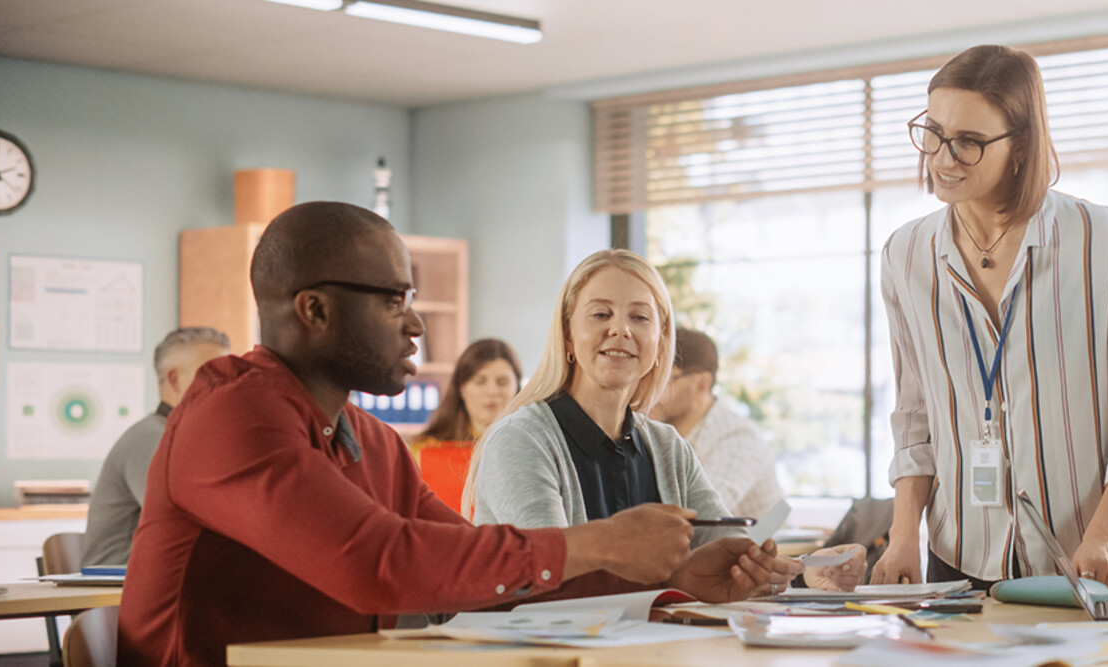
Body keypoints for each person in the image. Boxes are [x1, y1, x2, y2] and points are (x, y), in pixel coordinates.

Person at [118, 202, 744, 666]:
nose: (416, 322)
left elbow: (482, 571)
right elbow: (379, 562)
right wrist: (601, 542)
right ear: (314, 310)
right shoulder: (232, 415)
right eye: (393, 299)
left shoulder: (373, 440)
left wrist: (677, 582)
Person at [871, 45, 1108, 597]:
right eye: (932, 132)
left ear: (1021, 147)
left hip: (1089, 557)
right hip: (959, 556)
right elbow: (914, 414)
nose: (941, 158)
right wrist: (902, 536)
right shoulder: (904, 254)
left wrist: (1104, 533)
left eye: (968, 141)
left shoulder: (1099, 238)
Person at [465, 249, 807, 598]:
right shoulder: (521, 440)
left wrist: (801, 572)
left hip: (649, 650)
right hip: (543, 650)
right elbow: (547, 579)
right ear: (568, 336)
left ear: (660, 343)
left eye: (640, 318)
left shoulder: (668, 447)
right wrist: (676, 579)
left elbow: (729, 554)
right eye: (600, 314)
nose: (620, 329)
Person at [81, 327, 231, 566]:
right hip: (117, 592)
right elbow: (189, 522)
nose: (227, 387)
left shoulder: (186, 438)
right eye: (214, 375)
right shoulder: (152, 438)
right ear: (174, 379)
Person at [647, 327, 785, 520]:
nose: (652, 391)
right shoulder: (660, 435)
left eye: (666, 379)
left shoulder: (738, 438)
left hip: (773, 547)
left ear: (702, 384)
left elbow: (699, 518)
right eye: (650, 376)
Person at [410, 338, 522, 515]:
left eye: (502, 382)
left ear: (517, 388)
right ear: (461, 388)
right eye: (480, 381)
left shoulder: (529, 449)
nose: (492, 391)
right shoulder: (423, 450)